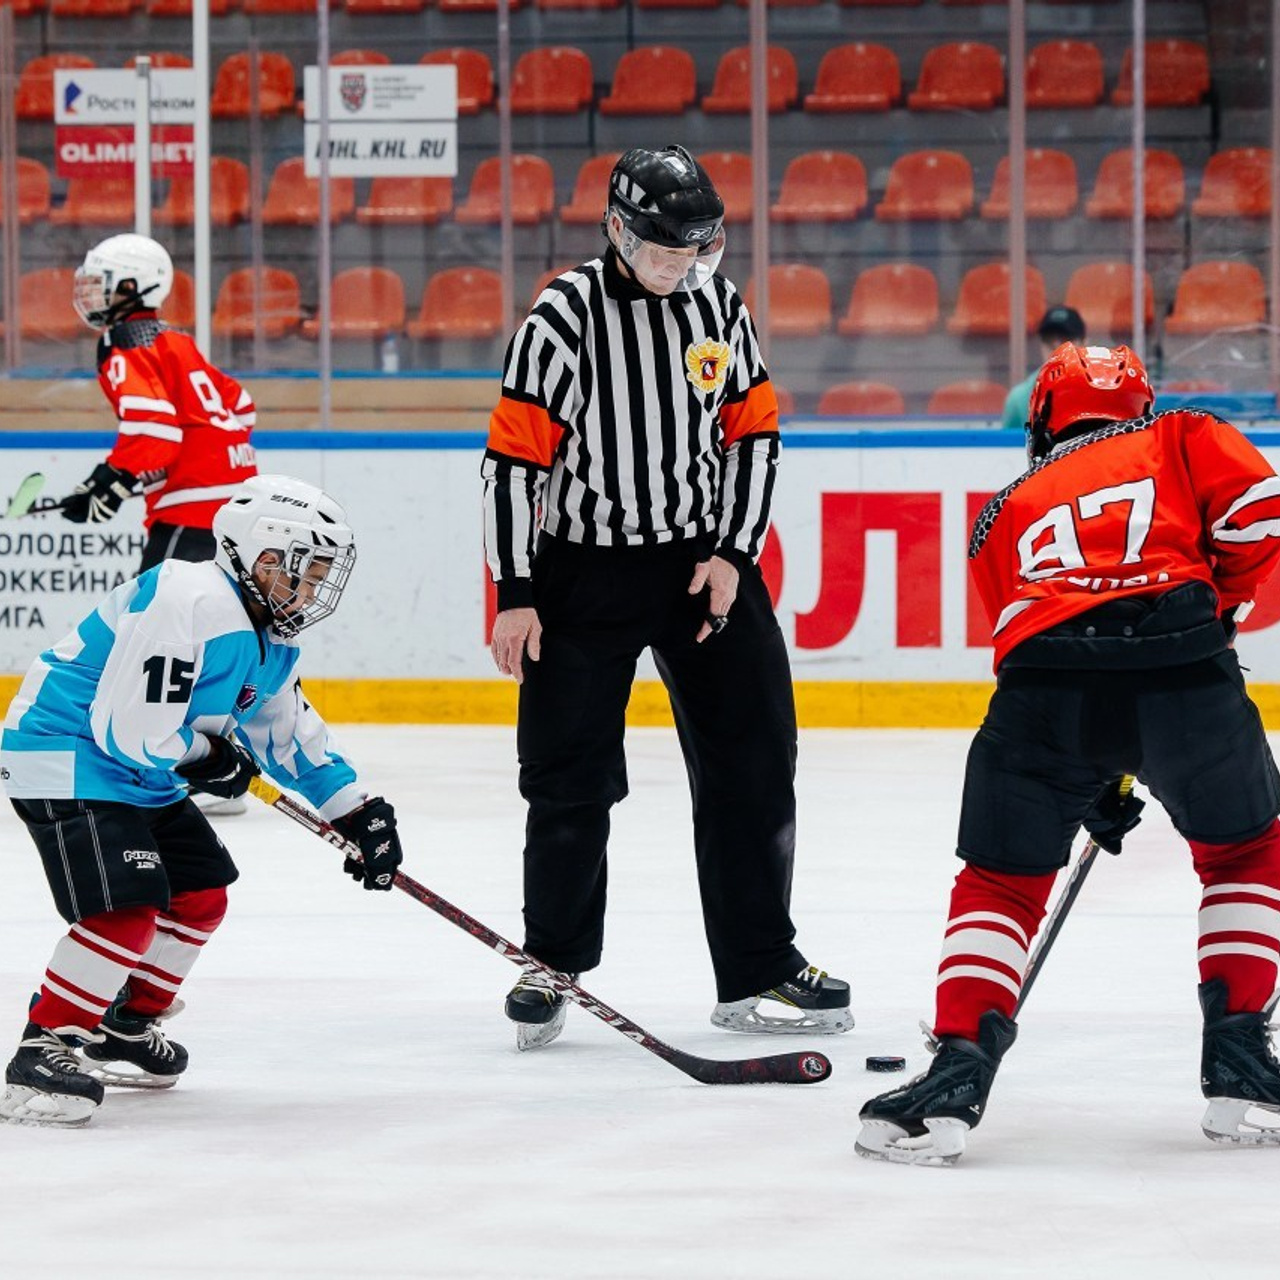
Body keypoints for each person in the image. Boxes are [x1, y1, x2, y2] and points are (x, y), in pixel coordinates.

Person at [858, 343, 1280, 1166]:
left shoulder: (1003, 504)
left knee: (1003, 881)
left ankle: (954, 1075)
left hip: (1043, 690)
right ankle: (1239, 1063)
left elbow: (1024, 640)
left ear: (1044, 420)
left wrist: (1088, 772)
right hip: (1184, 671)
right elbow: (1262, 515)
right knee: (1246, 852)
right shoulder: (1182, 436)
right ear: (1139, 407)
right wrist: (1217, 606)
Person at [481, 144, 851, 1052]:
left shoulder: (718, 303)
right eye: (663, 247)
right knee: (570, 777)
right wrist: (516, 592)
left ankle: (759, 964)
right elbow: (512, 463)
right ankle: (554, 960)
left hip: (700, 569)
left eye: (695, 246)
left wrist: (733, 552)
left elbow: (754, 435)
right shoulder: (563, 316)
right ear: (616, 230)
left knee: (756, 759)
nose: (681, 263)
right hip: (582, 572)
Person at [0, 475, 404, 1127]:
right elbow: (128, 730)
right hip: (65, 755)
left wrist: (356, 811)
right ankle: (43, 1050)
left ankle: (123, 1025)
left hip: (134, 766)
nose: (317, 587)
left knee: (200, 894)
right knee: (125, 910)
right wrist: (206, 755)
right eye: (311, 569)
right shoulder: (189, 596)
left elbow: (284, 731)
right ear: (265, 558)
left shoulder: (271, 635)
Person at [64, 234, 260, 816]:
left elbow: (156, 431)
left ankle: (176, 767)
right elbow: (238, 407)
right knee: (209, 638)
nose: (92, 295)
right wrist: (129, 480)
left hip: (193, 509)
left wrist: (108, 481)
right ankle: (215, 764)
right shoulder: (174, 340)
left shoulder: (124, 344)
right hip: (234, 505)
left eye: (104, 282)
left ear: (134, 287)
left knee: (149, 635)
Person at [1000, 305, 1087, 433]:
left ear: (1084, 342)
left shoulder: (1103, 392)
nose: (1057, 348)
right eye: (1049, 340)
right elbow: (1008, 449)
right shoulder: (1019, 399)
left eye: (1065, 340)